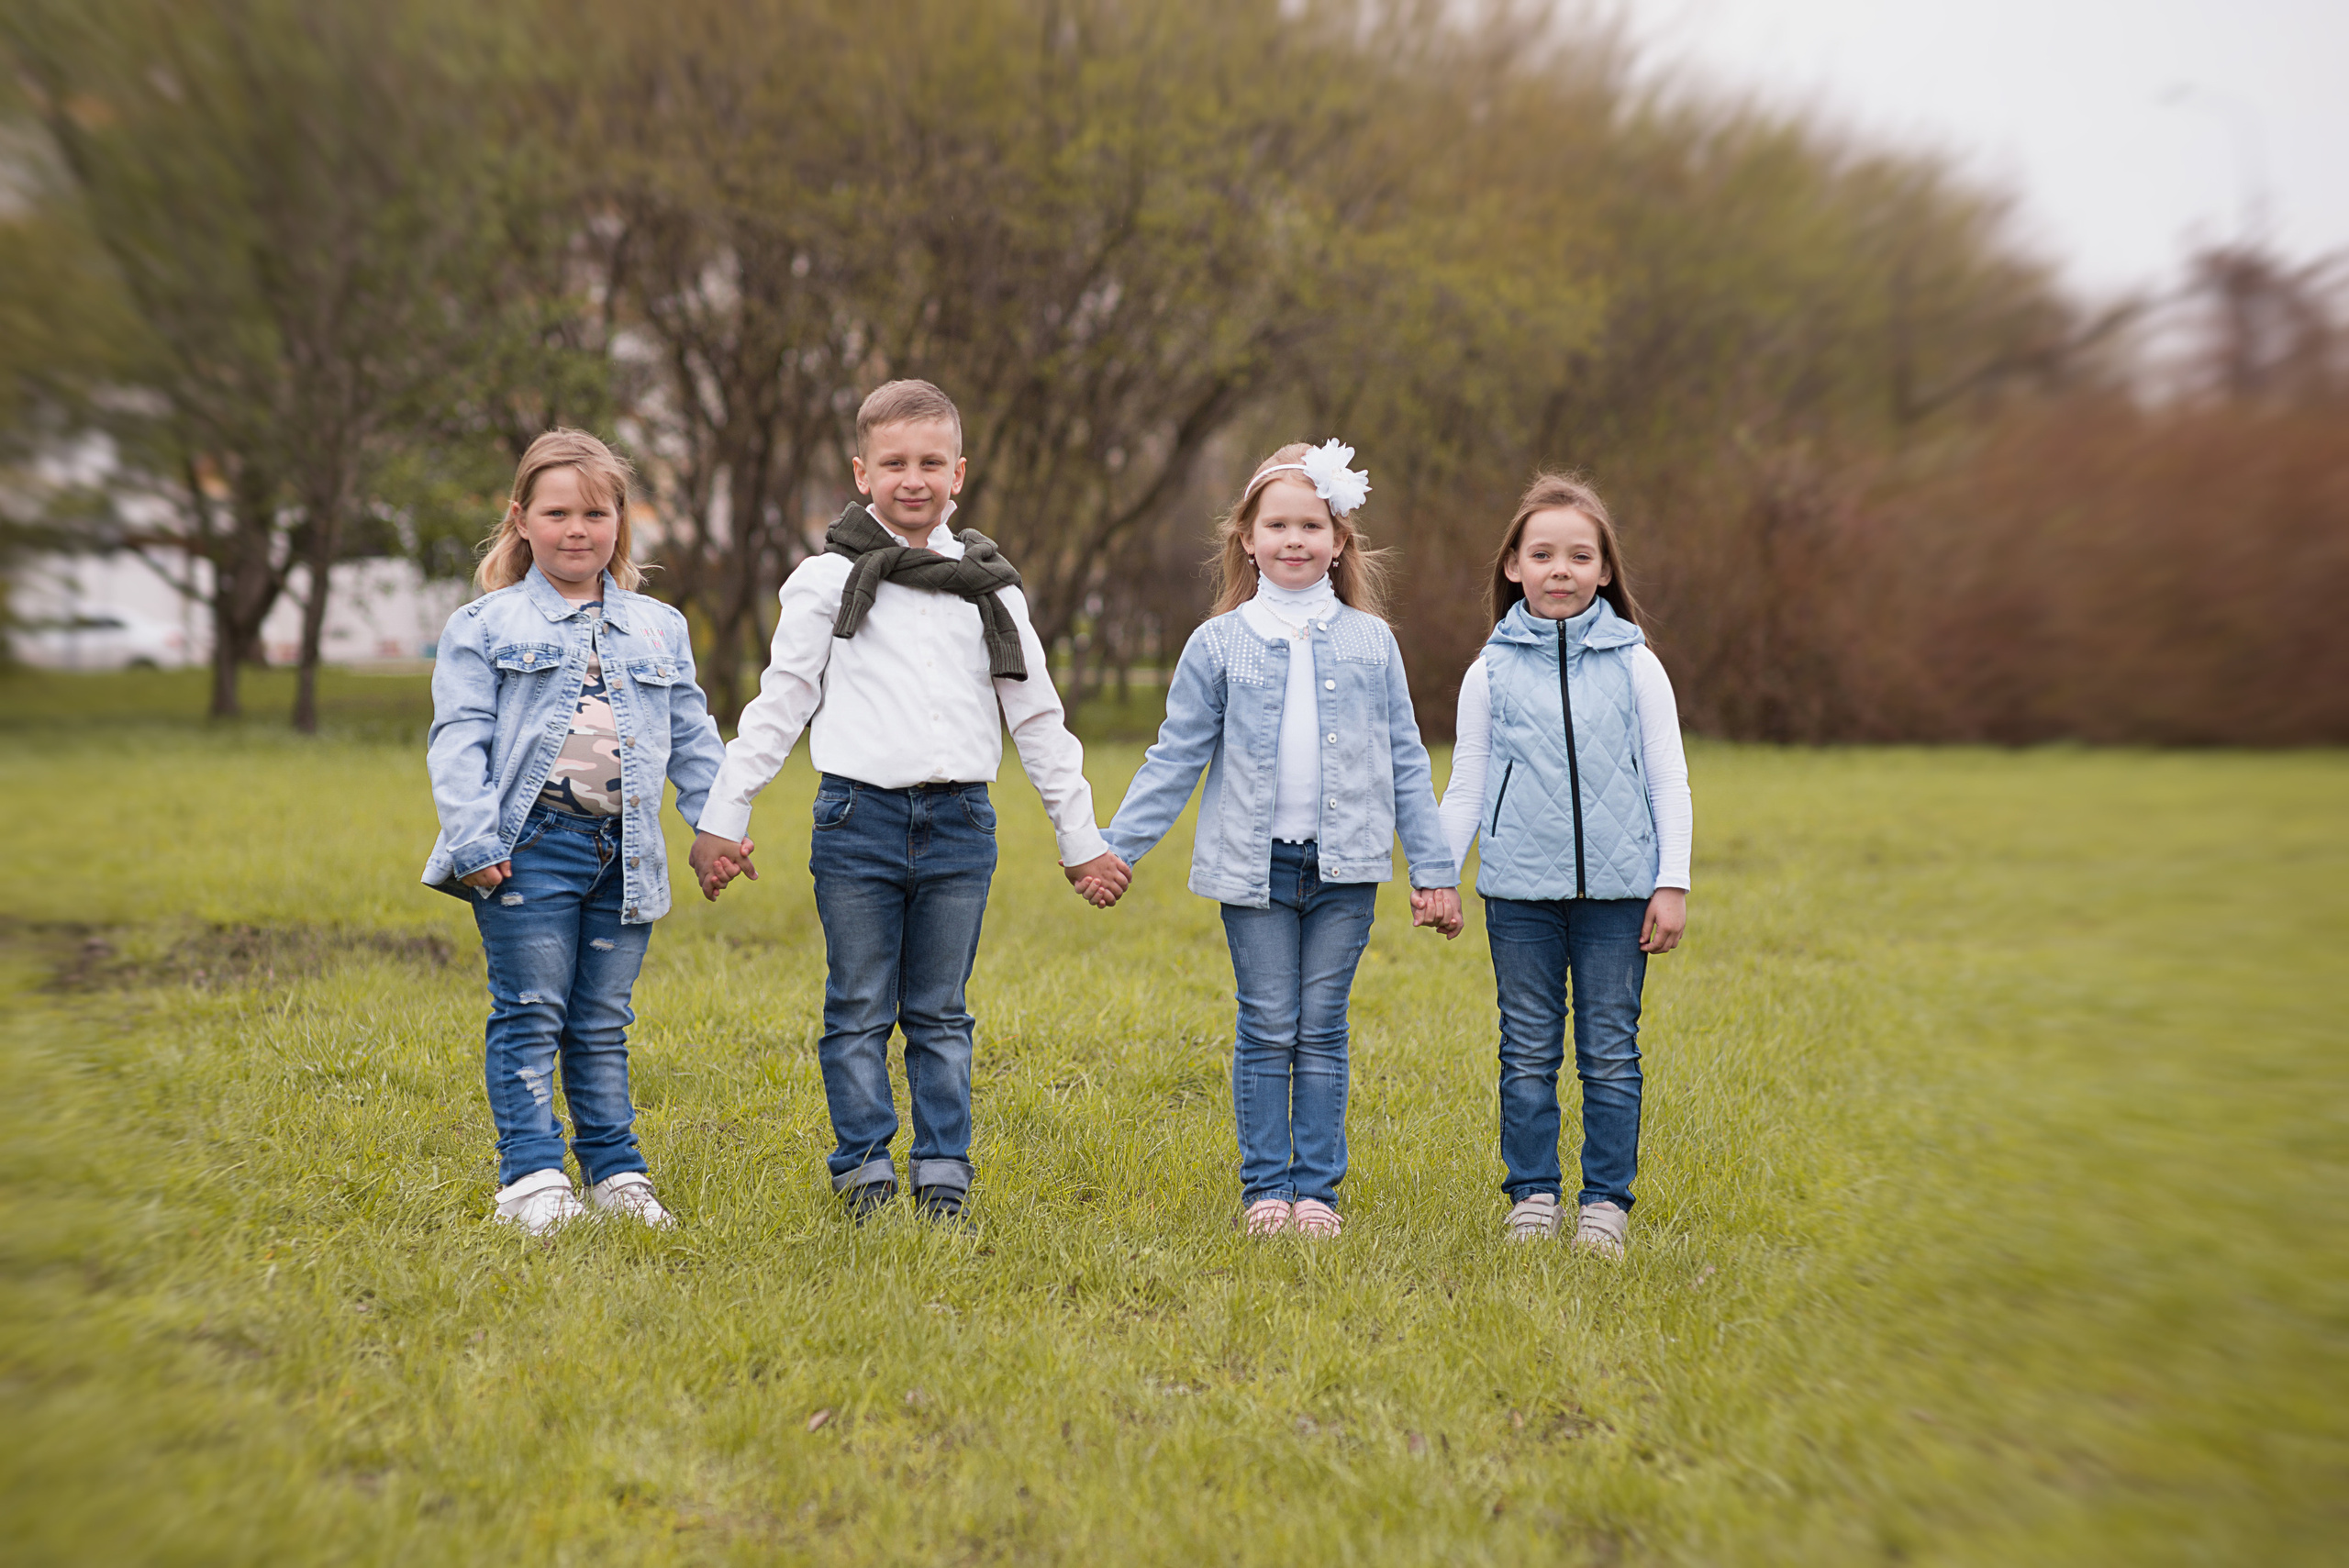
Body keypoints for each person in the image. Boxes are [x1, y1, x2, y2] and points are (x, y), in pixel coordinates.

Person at [690, 380, 1130, 1224]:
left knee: (940, 1008)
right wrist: (723, 816)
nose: (914, 478)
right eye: (894, 462)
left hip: (961, 822)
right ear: (862, 472)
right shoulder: (826, 582)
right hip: (858, 820)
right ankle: (862, 1165)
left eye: (932, 461)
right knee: (857, 1004)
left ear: (959, 472)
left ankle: (942, 1167)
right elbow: (780, 703)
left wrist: (1082, 840)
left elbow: (1037, 718)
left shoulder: (992, 587)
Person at [1094, 440, 1460, 1239]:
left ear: (1338, 541)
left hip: (1345, 869)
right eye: (1278, 525)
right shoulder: (1217, 644)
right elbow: (1177, 754)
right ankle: (1267, 1188)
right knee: (1266, 1023)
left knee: (1322, 1025)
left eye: (1311, 525)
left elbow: (1405, 760)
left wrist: (1434, 871)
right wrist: (1119, 845)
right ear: (1248, 539)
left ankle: (1317, 1194)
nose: (1295, 539)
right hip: (1253, 870)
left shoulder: (1373, 643)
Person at [423, 428, 728, 1234]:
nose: (577, 529)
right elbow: (459, 739)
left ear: (621, 521)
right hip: (528, 846)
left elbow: (693, 737)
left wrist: (717, 824)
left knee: (600, 1020)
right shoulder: (483, 625)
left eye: (596, 512)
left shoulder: (659, 626)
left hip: (625, 852)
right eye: (557, 512)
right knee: (531, 1008)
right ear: (520, 518)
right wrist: (474, 840)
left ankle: (615, 1170)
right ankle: (530, 1178)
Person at [1436, 473, 1691, 1257]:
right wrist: (1439, 873)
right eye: (1542, 553)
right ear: (1512, 564)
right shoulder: (1489, 672)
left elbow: (1668, 776)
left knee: (1611, 1047)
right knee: (1527, 1047)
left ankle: (1605, 1204)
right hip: (1519, 894)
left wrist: (1671, 880)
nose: (1560, 569)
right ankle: (1533, 1195)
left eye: (1580, 555)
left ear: (1605, 569)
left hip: (1619, 894)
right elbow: (1469, 782)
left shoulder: (1637, 665)